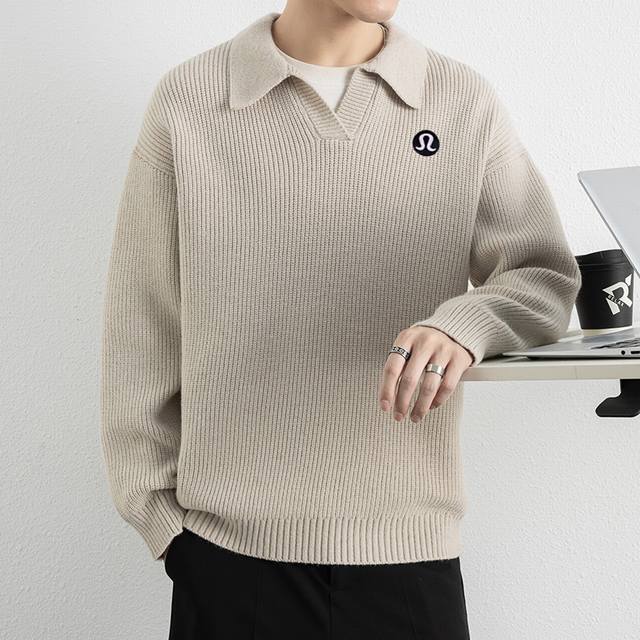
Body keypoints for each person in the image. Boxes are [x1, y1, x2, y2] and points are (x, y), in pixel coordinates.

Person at [100, 1, 582, 638]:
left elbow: (543, 275)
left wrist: (462, 325)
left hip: (409, 554)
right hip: (227, 560)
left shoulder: (460, 100)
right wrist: (161, 523)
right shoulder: (192, 99)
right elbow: (143, 321)